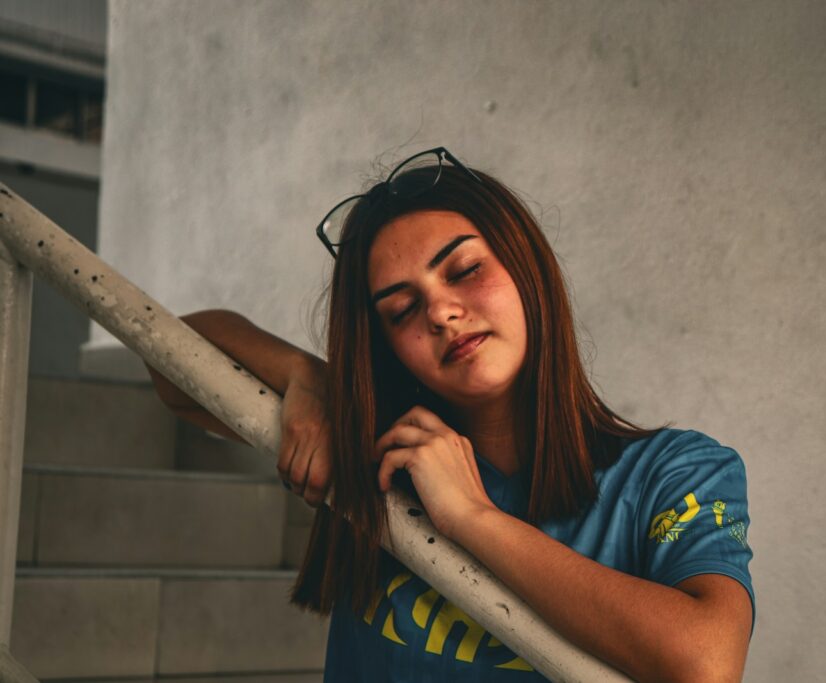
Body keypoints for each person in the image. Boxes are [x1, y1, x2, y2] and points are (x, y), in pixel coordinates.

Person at [147, 147, 755, 682]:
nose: (440, 313)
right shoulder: (382, 454)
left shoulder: (676, 472)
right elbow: (167, 359)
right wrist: (309, 378)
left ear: (528, 269)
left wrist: (470, 517)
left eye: (465, 271)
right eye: (402, 309)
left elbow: (705, 664)